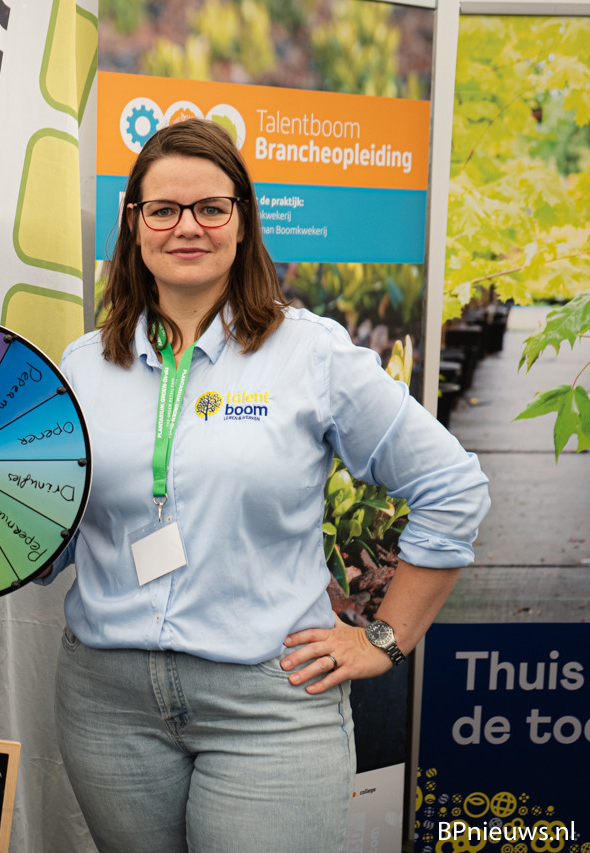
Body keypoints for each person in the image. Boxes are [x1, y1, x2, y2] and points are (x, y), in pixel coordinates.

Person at [44, 119, 489, 852]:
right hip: (108, 704)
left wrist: (386, 638)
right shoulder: (83, 366)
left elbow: (453, 485)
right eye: (164, 209)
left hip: (267, 706)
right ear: (134, 225)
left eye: (210, 207)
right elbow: (56, 532)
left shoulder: (309, 353)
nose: (188, 227)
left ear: (243, 220)